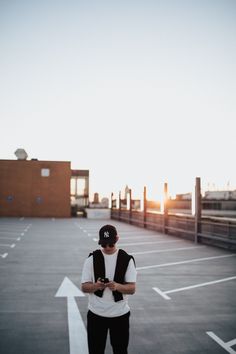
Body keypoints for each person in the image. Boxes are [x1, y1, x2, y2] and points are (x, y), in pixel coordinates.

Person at [81, 224, 137, 354]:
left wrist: (117, 286)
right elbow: (84, 287)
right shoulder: (91, 259)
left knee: (120, 350)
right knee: (95, 351)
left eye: (110, 244)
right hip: (96, 315)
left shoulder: (126, 259)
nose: (107, 248)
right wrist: (96, 286)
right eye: (104, 245)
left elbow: (132, 288)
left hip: (120, 315)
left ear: (117, 239)